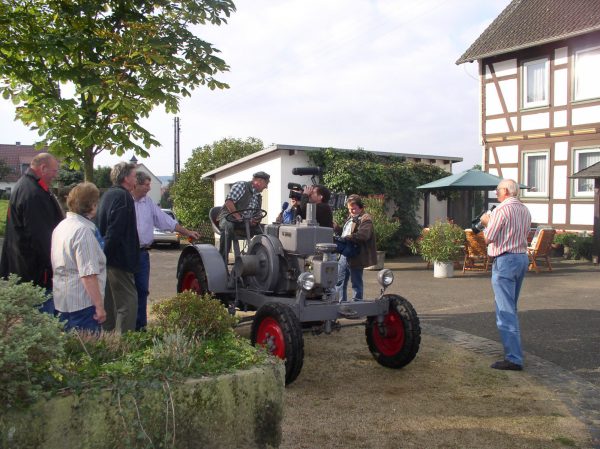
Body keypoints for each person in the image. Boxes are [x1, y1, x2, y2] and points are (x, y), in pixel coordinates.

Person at [132, 172, 199, 330]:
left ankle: (140, 327)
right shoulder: (126, 201)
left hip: (142, 254)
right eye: (146, 185)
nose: (149, 188)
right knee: (127, 293)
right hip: (126, 253)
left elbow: (166, 221)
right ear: (136, 185)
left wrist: (187, 232)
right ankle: (125, 330)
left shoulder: (148, 203)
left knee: (142, 291)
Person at [0, 153, 64, 314]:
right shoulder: (34, 193)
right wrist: (54, 266)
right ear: (43, 168)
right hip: (35, 273)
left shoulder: (24, 185)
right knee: (42, 317)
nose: (56, 175)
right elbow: (41, 238)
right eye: (54, 171)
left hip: (22, 267)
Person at [480, 179, 531, 371]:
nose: (496, 193)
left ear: (506, 191)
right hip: (521, 257)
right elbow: (525, 233)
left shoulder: (501, 210)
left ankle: (514, 358)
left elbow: (488, 237)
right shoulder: (525, 210)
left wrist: (486, 222)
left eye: (498, 190)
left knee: (505, 311)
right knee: (511, 307)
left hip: (505, 260)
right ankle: (514, 352)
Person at [51, 183, 106, 332]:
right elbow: (88, 273)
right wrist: (99, 306)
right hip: (83, 302)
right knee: (88, 351)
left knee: (68, 350)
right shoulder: (83, 231)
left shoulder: (61, 226)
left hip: (61, 299)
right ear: (92, 205)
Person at [96, 162, 139, 334]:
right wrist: (107, 254)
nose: (136, 179)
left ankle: (107, 343)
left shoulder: (108, 195)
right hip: (119, 260)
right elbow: (115, 230)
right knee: (128, 303)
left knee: (110, 303)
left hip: (109, 258)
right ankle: (124, 346)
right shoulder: (123, 197)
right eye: (134, 176)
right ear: (126, 178)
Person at [217, 171, 270, 263]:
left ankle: (265, 259)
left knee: (268, 229)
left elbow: (257, 213)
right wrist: (238, 217)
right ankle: (222, 261)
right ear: (259, 181)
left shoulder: (258, 196)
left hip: (244, 222)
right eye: (266, 183)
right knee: (228, 227)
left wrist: (256, 220)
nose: (266, 187)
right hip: (229, 217)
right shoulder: (241, 186)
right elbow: (229, 202)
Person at [335, 194, 377, 303]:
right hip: (345, 254)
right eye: (349, 209)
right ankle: (341, 304)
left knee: (356, 283)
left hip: (356, 255)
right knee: (340, 281)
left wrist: (348, 237)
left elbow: (363, 235)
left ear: (361, 207)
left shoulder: (365, 219)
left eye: (353, 209)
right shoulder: (350, 218)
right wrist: (337, 228)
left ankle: (357, 306)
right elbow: (345, 233)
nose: (351, 211)